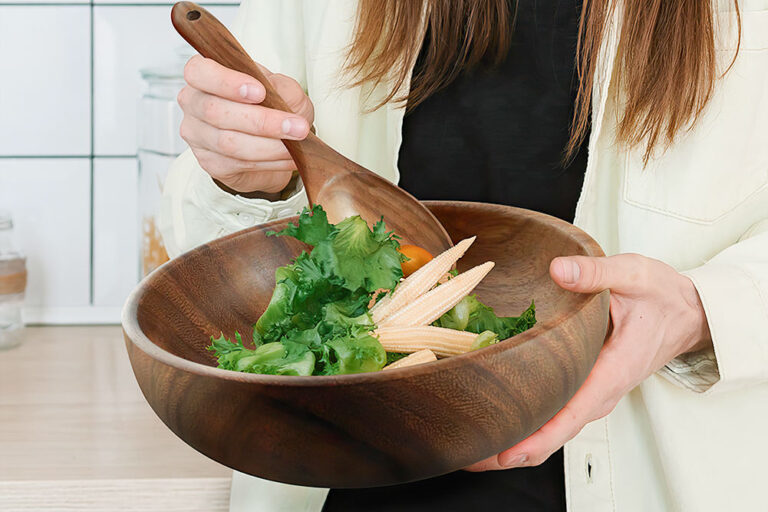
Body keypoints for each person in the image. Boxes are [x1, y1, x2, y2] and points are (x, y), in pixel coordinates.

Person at [159, 0, 768, 511]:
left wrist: (701, 310)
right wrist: (246, 176)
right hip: (342, 471)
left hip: (662, 477)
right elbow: (204, 232)